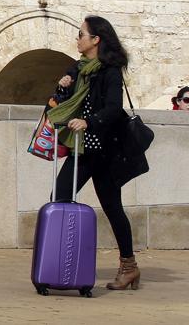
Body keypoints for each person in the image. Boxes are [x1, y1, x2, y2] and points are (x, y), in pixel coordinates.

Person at [48, 15, 140, 290]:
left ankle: (129, 266)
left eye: (81, 34)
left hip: (105, 150)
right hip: (82, 148)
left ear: (95, 40)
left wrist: (90, 122)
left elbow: (113, 108)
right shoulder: (77, 68)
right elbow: (61, 105)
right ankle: (61, 262)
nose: (78, 39)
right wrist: (62, 86)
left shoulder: (110, 71)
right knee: (60, 197)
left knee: (112, 208)